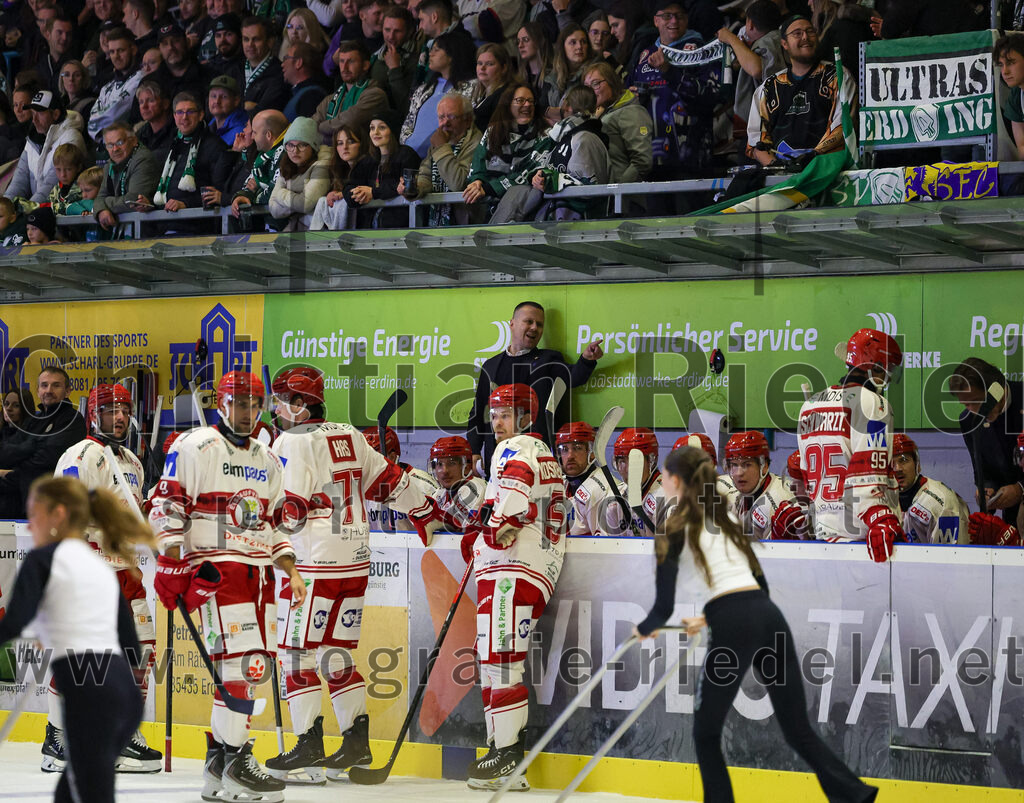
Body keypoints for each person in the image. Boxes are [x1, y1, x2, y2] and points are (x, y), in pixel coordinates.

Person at [633, 445, 879, 803]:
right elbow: (757, 585)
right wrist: (710, 615)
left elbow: (662, 608)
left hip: (733, 625)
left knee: (705, 733)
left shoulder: (674, 525)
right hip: (767, 617)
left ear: (673, 480)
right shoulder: (727, 519)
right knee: (797, 730)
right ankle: (853, 794)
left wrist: (644, 628)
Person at [265, 366, 444, 784]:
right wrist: (423, 512)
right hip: (355, 562)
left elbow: (290, 511)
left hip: (311, 565)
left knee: (296, 654)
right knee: (335, 654)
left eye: (278, 400)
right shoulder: (348, 434)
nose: (274, 409)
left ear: (297, 403)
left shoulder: (290, 440)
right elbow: (389, 482)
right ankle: (356, 743)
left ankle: (308, 748)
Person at [149, 371, 307, 803]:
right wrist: (170, 559)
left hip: (260, 579)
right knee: (243, 667)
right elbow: (166, 504)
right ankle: (238, 761)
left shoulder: (268, 459)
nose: (247, 412)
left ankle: (220, 765)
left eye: (255, 405)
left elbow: (275, 524)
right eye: (239, 403)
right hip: (218, 574)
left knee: (242, 671)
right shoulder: (196, 445)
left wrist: (290, 569)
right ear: (221, 403)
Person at [0, 477, 150, 802]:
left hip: (90, 695)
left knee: (89, 790)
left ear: (58, 515)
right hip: (126, 697)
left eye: (34, 515)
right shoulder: (99, 565)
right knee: (74, 788)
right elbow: (132, 647)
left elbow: (12, 624)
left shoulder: (43, 559)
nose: (31, 525)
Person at [463, 383, 568, 791]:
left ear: (526, 418)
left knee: (501, 659)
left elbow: (514, 498)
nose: (496, 421)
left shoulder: (518, 448)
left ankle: (507, 757)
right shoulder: (539, 451)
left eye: (505, 413)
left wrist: (490, 529)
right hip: (520, 569)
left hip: (515, 570)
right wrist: (487, 522)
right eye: (494, 413)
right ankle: (500, 752)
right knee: (492, 659)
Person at [53, 384, 162, 773]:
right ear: (93, 414)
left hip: (128, 570)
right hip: (93, 567)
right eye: (110, 410)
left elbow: (135, 514)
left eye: (124, 410)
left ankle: (123, 732)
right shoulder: (79, 454)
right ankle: (57, 735)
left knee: (142, 650)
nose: (118, 417)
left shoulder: (132, 459)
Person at [797, 328, 904, 560]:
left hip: (823, 531)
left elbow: (804, 473)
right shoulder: (873, 402)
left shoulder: (810, 405)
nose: (888, 378)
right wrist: (879, 518)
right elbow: (867, 473)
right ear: (875, 366)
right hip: (861, 535)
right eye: (888, 369)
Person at [467, 300, 603, 474]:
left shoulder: (548, 359)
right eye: (529, 321)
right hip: (497, 460)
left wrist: (586, 360)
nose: (534, 328)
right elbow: (478, 413)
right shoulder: (491, 366)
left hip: (537, 459)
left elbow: (573, 378)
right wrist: (474, 451)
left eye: (539, 324)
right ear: (512, 323)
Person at [490, 85, 609, 223]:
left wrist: (551, 180)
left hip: (575, 227)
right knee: (518, 192)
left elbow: (588, 190)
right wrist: (539, 177)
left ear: (568, 107)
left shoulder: (584, 139)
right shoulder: (565, 135)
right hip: (556, 220)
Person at [747, 16, 854, 167]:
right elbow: (756, 141)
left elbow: (843, 125)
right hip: (780, 175)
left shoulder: (837, 76)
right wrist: (777, 168)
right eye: (797, 33)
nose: (805, 37)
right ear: (784, 44)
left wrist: (813, 157)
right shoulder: (769, 87)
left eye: (810, 32)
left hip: (827, 170)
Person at [630, 1, 718, 178]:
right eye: (667, 16)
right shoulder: (645, 53)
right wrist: (633, 98)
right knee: (657, 206)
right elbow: (627, 92)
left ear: (687, 20)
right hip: (651, 155)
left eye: (679, 16)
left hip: (691, 156)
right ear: (656, 21)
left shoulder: (703, 51)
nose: (674, 21)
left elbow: (708, 97)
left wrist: (669, 72)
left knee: (693, 206)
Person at [0, 367, 87, 519]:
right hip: (23, 506)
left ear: (68, 391)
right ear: (38, 390)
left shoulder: (72, 420)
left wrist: (13, 469)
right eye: (44, 385)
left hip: (54, 508)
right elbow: (5, 453)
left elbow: (48, 458)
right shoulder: (33, 421)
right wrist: (34, 445)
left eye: (56, 385)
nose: (49, 390)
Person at [948, 357, 1024, 529]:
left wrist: (1021, 489)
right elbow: (983, 469)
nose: (974, 411)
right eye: (966, 404)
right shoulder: (969, 420)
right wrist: (987, 491)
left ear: (995, 390)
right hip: (1014, 523)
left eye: (976, 401)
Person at [405, 92, 483, 226]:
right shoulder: (441, 141)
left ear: (467, 120)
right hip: (436, 222)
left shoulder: (476, 142)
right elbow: (426, 175)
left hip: (466, 225)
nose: (445, 122)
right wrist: (414, 188)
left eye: (451, 116)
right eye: (441, 117)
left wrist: (441, 147)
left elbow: (458, 183)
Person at [463, 83, 545, 208]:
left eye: (531, 101)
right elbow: (478, 166)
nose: (527, 105)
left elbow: (527, 173)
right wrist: (477, 182)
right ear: (508, 105)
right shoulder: (492, 132)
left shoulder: (544, 135)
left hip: (525, 208)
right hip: (488, 208)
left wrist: (490, 188)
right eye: (520, 100)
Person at [153, 92, 234, 213]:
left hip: (197, 225)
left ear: (201, 115)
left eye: (190, 112)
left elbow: (217, 192)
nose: (184, 117)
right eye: (180, 112)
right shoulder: (170, 147)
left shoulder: (215, 146)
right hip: (165, 223)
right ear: (174, 116)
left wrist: (186, 204)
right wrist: (147, 203)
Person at [402, 30, 476, 158]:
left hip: (444, 159)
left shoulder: (472, 87)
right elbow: (408, 122)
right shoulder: (423, 89)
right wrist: (406, 144)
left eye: (437, 50)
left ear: (452, 55)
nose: (430, 54)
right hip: (409, 158)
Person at [722, 431, 807, 540]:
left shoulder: (780, 500)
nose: (739, 473)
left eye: (747, 465)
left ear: (764, 466)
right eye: (734, 465)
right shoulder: (731, 489)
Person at [344, 110, 421, 229]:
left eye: (382, 127)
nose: (375, 132)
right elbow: (348, 187)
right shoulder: (367, 161)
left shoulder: (407, 155)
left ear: (392, 130)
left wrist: (373, 192)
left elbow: (404, 186)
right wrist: (356, 194)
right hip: (367, 230)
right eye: (372, 128)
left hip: (398, 228)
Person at [7, 89, 87, 204]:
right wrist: (5, 207)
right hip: (38, 211)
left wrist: (28, 211)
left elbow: (51, 186)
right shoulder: (32, 140)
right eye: (33, 113)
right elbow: (18, 182)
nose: (34, 120)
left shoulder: (71, 138)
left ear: (55, 114)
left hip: (62, 209)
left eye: (39, 113)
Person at [890, 433, 970, 545]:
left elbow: (949, 557)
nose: (897, 468)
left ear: (917, 464)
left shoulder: (939, 503)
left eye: (904, 460)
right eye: (891, 463)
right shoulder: (882, 499)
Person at [715, 0, 782, 130]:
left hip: (770, 121)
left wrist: (731, 38)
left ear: (750, 24)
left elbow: (757, 69)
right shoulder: (778, 38)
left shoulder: (770, 41)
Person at [583, 61, 652, 182]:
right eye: (587, 87)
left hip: (623, 197)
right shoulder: (603, 112)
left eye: (595, 84)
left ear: (611, 81)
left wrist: (618, 191)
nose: (590, 91)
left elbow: (642, 161)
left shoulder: (631, 111)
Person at [313, 40, 388, 144]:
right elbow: (311, 128)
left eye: (351, 61)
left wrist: (321, 128)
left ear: (365, 65)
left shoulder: (375, 95)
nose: (344, 68)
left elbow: (349, 121)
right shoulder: (330, 99)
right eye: (342, 61)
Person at [93, 121, 160, 231]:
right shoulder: (109, 165)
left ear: (133, 141)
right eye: (110, 145)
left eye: (119, 143)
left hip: (148, 231)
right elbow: (100, 197)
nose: (115, 149)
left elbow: (133, 200)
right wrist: (101, 210)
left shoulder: (143, 159)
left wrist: (106, 202)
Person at [267, 116, 331, 231]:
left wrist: (281, 193)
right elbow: (274, 209)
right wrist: (298, 198)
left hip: (317, 234)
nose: (295, 151)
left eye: (302, 145)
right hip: (294, 231)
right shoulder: (286, 166)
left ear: (313, 146)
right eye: (290, 145)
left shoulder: (323, 165)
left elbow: (305, 204)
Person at [229, 108, 288, 224]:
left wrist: (255, 196)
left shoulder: (286, 154)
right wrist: (241, 196)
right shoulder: (263, 156)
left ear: (268, 135)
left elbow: (274, 194)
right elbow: (249, 184)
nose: (252, 137)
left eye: (254, 133)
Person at [86, 27, 142, 146]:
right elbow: (90, 123)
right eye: (112, 52)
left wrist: (98, 123)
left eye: (120, 50)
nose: (116, 56)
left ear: (133, 49)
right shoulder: (107, 88)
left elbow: (112, 115)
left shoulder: (140, 79)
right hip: (109, 147)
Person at [309, 124, 367, 230]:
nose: (344, 147)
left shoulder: (369, 166)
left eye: (351, 142)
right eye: (340, 143)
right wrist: (334, 193)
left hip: (365, 226)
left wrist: (344, 194)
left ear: (362, 144)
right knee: (322, 201)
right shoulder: (338, 170)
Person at [611, 427, 665, 536]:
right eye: (622, 461)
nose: (628, 469)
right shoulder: (617, 496)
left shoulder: (665, 497)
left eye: (635, 461)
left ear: (651, 461)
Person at [429, 435, 487, 531]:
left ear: (467, 467)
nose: (444, 471)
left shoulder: (476, 489)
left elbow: (460, 534)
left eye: (452, 463)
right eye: (439, 464)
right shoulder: (439, 493)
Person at [369, 6, 418, 120]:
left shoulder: (416, 61)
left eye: (397, 31)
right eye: (387, 30)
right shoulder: (374, 57)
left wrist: (395, 69)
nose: (391, 36)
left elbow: (406, 108)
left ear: (409, 31)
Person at [540, 24, 593, 124]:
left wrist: (554, 113)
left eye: (583, 42)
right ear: (563, 47)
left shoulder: (592, 75)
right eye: (573, 42)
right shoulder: (551, 76)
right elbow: (541, 108)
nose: (579, 46)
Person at [239, 16, 289, 113]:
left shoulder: (279, 74)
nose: (250, 44)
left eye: (256, 39)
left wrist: (236, 106)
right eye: (246, 39)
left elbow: (265, 111)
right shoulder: (235, 68)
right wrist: (244, 105)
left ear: (270, 42)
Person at [281, 42, 329, 122]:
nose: (282, 64)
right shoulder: (300, 92)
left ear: (298, 63)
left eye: (286, 58)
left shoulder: (312, 96)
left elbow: (307, 131)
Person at [470, 43, 512, 130]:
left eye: (490, 64)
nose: (482, 68)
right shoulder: (483, 93)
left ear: (504, 68)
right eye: (480, 63)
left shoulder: (505, 95)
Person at [134, 80, 174, 165]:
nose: (144, 106)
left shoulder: (177, 131)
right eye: (141, 102)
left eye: (151, 100)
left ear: (165, 104)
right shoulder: (140, 134)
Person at [36, 15, 75, 95]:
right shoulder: (40, 63)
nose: (64, 38)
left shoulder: (75, 63)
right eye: (59, 32)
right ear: (47, 34)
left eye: (68, 34)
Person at [515, 23, 552, 103]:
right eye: (518, 42)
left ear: (539, 41)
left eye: (526, 40)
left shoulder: (553, 74)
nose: (520, 45)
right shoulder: (520, 77)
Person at [207, 75, 248, 145]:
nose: (217, 101)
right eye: (213, 96)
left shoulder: (241, 132)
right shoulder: (211, 124)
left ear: (236, 100)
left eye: (224, 97)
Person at [57, 59, 97, 124]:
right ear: (61, 79)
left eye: (77, 75)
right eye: (67, 75)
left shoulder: (91, 105)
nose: (71, 79)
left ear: (84, 78)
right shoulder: (61, 103)